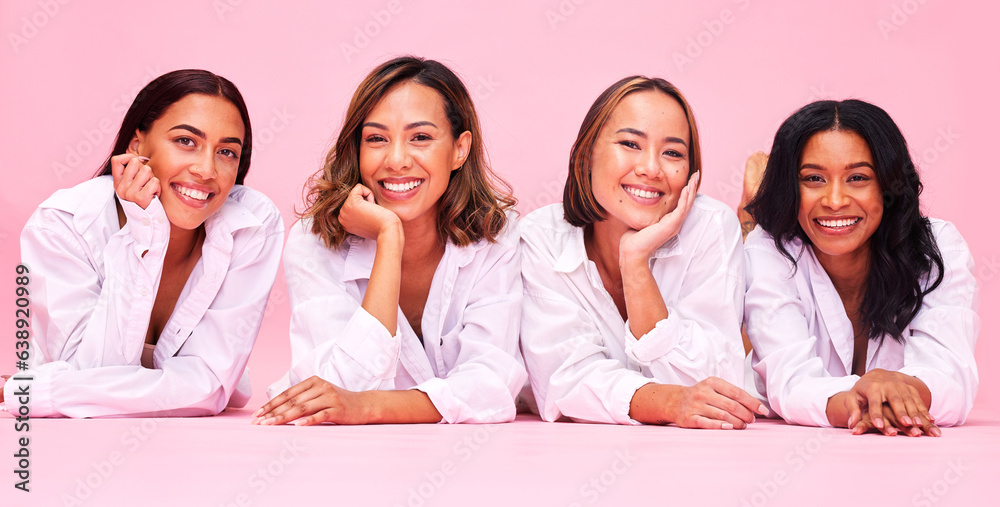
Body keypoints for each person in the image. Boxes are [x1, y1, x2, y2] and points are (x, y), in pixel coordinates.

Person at [254, 56, 525, 426]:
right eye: (377, 139)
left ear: (460, 150)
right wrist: (389, 237)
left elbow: (490, 386)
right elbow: (333, 390)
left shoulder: (496, 235)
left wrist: (368, 406)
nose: (396, 160)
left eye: (421, 138)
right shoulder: (312, 242)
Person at [1, 69, 284, 417]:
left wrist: (30, 393)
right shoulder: (63, 225)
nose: (207, 169)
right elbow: (92, 372)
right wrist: (143, 232)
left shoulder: (251, 224)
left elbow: (208, 388)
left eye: (226, 152)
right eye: (186, 141)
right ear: (137, 146)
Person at [519, 76, 767, 427]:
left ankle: (753, 223)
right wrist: (670, 402)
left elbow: (716, 383)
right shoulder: (539, 239)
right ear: (587, 153)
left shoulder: (710, 225)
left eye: (672, 153)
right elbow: (565, 381)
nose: (651, 168)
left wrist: (635, 264)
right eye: (630, 144)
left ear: (691, 174)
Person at [743, 99, 979, 436]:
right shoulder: (770, 248)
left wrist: (894, 387)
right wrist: (866, 395)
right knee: (749, 257)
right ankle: (748, 215)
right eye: (813, 178)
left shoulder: (938, 246)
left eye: (857, 177)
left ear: (887, 185)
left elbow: (951, 376)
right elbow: (790, 382)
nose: (835, 201)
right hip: (744, 368)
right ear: (790, 187)